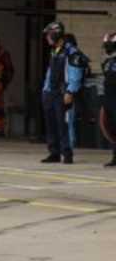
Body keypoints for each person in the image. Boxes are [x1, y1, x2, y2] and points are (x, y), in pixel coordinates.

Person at [40, 21, 84, 164]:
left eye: (48, 34)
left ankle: (67, 153)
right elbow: (50, 72)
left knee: (63, 124)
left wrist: (70, 91)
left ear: (55, 34)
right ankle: (54, 153)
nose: (47, 37)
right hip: (50, 93)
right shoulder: (54, 50)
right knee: (51, 124)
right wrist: (45, 90)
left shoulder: (71, 51)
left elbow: (75, 73)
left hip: (62, 93)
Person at [101, 32, 116, 167]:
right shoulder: (107, 62)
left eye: (109, 45)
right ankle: (115, 156)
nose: (107, 48)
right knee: (111, 128)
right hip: (109, 98)